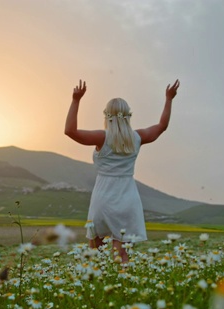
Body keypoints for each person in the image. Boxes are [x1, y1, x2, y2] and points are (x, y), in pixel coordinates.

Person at [64, 79, 180, 263]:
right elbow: (161, 127)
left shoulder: (102, 137)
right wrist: (169, 99)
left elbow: (70, 131)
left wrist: (76, 100)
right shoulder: (138, 137)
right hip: (128, 198)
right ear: (128, 115)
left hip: (103, 197)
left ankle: (97, 286)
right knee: (122, 254)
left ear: (106, 115)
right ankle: (123, 286)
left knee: (95, 253)